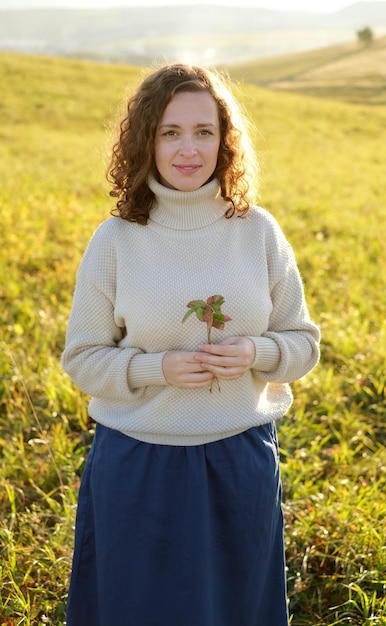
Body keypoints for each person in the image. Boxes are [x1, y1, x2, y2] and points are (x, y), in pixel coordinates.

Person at [61, 63, 320, 626]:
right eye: (170, 132)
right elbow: (82, 358)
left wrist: (258, 353)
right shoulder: (115, 241)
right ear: (146, 140)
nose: (188, 149)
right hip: (137, 463)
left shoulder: (259, 232)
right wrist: (157, 369)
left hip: (238, 461)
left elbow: (303, 343)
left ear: (225, 141)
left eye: (204, 131)